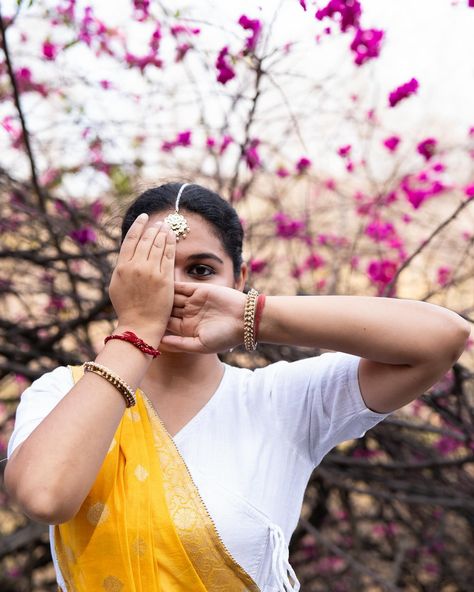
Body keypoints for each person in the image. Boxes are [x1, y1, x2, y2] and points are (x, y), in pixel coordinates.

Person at [5, 182, 470, 592]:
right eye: (155, 271)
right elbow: (45, 496)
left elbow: (441, 338)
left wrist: (253, 315)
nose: (174, 289)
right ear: (122, 281)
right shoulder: (62, 394)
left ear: (239, 280)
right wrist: (135, 331)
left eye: (201, 270)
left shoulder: (281, 401)